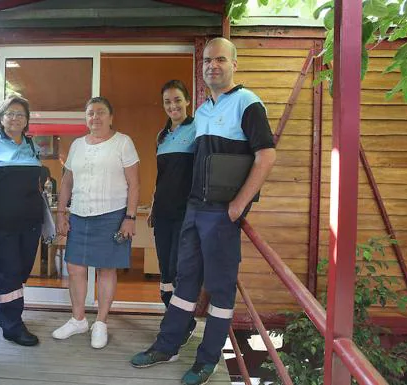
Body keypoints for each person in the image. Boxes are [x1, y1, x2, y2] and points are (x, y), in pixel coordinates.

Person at [130, 37, 276, 385]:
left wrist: (239, 205)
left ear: (234, 64)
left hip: (221, 214)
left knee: (221, 290)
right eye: (207, 60)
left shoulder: (247, 103)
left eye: (220, 60)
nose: (213, 65)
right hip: (194, 211)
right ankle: (167, 345)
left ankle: (206, 360)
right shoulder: (206, 111)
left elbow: (266, 155)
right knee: (185, 283)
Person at [52, 96, 140, 349]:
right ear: (86, 118)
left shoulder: (123, 143)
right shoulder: (78, 145)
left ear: (111, 117)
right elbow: (67, 181)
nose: (95, 117)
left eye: (101, 112)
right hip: (80, 214)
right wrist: (61, 212)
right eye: (91, 113)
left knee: (106, 269)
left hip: (112, 214)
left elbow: (135, 183)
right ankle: (78, 319)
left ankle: (100, 322)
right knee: (76, 268)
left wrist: (130, 217)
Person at [0, 95, 43, 347]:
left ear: (26, 120)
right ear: (1, 117)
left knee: (19, 271)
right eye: (10, 113)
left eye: (20, 114)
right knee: (9, 273)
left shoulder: (31, 145)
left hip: (29, 223)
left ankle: (6, 316)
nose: (15, 118)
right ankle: (12, 326)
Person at [148, 80, 197, 345]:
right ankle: (176, 318)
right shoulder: (162, 136)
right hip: (163, 213)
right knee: (165, 271)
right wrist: (153, 205)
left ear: (187, 101)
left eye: (177, 99)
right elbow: (161, 178)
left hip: (186, 213)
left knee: (179, 270)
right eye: (167, 101)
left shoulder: (197, 129)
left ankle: (182, 323)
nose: (173, 105)